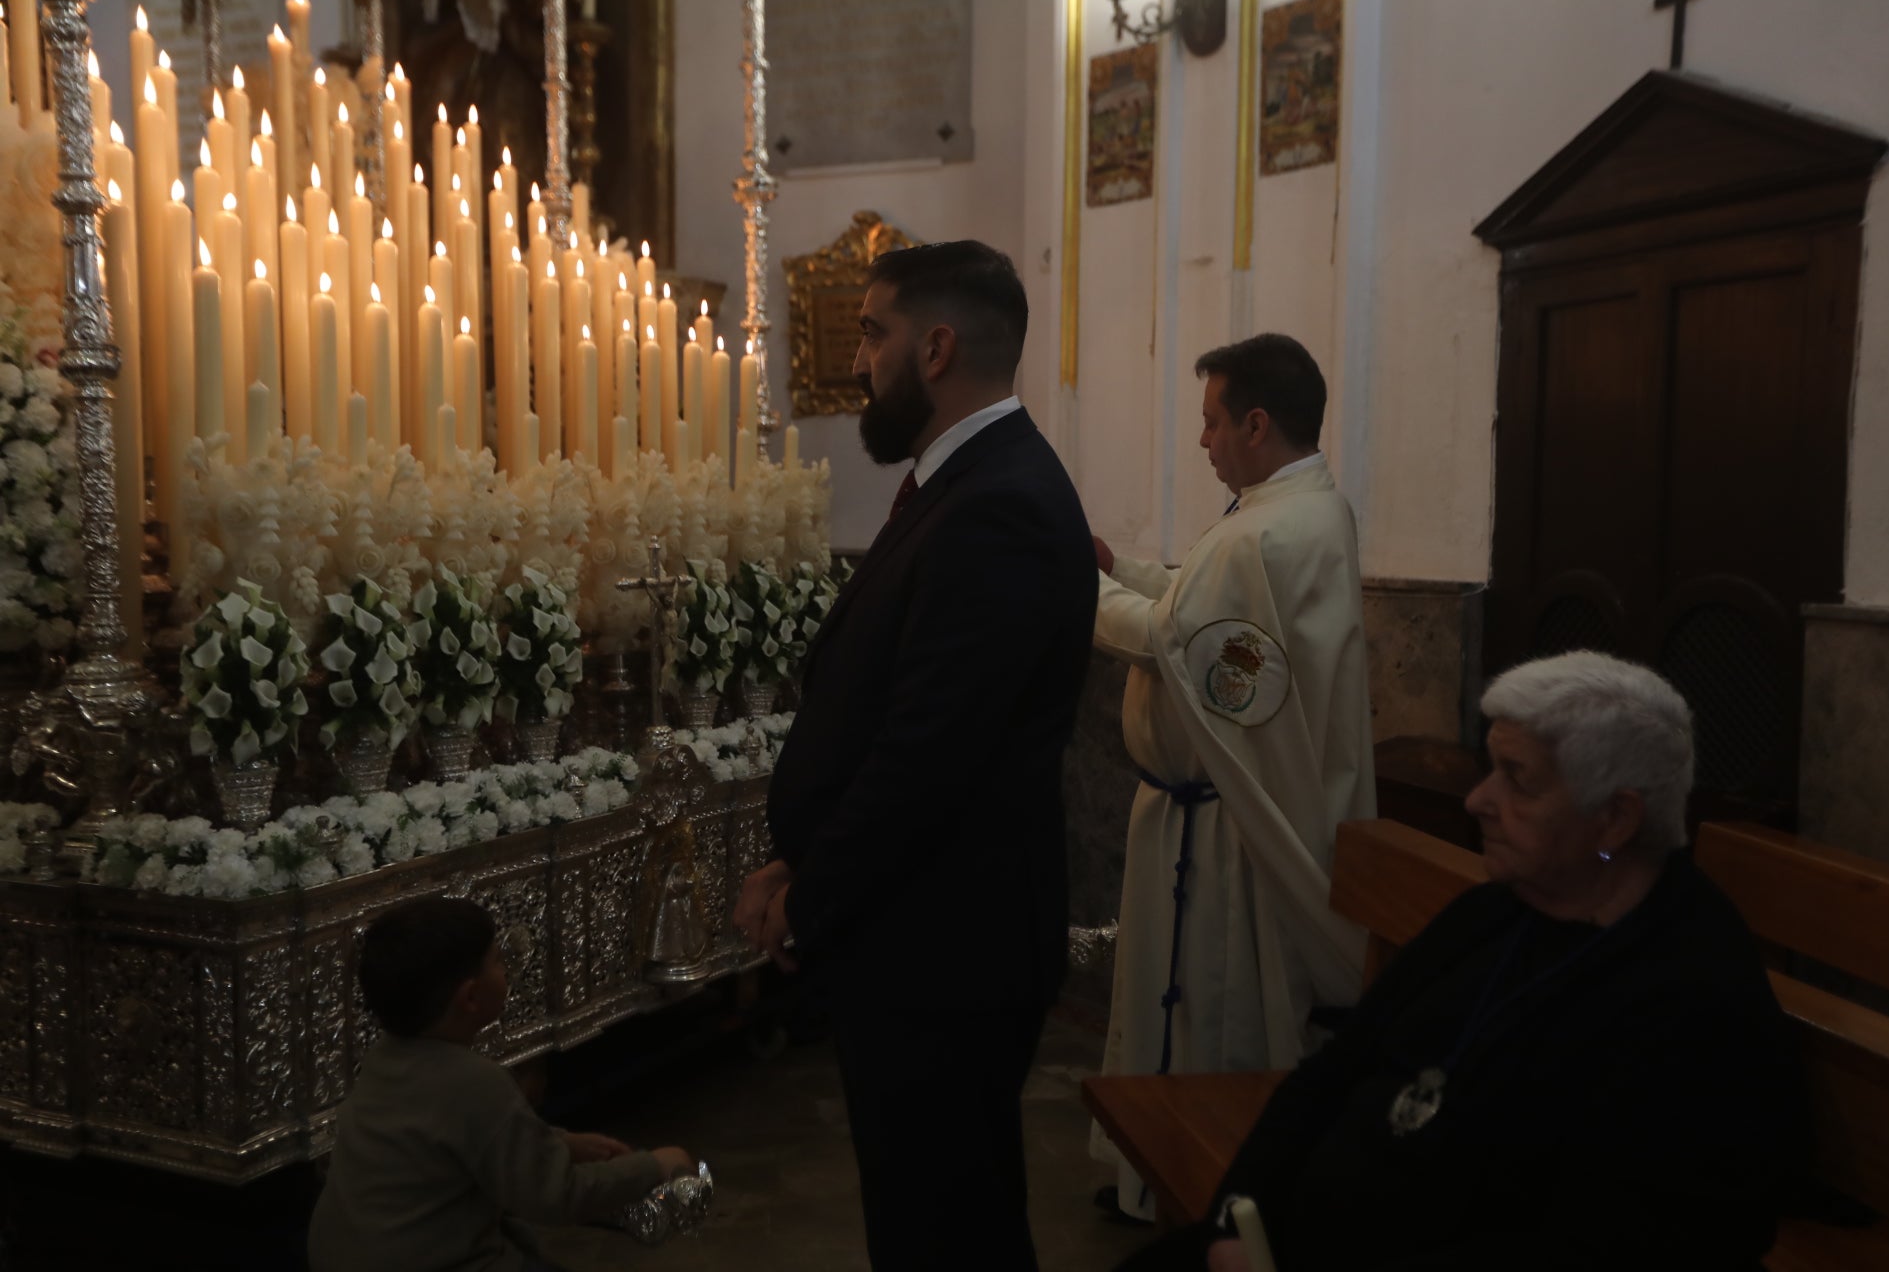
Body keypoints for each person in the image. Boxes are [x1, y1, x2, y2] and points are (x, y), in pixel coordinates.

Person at [1120, 652, 1810, 1271]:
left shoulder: (1694, 997)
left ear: (1615, 820)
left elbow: (1607, 1245)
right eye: (1490, 771)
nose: (1479, 801)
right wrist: (1235, 1219)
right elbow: (1332, 1072)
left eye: (1517, 781)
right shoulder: (1496, 913)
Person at [732, 240, 1097, 1271]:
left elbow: (929, 755)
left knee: (948, 1228)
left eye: (871, 332)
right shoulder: (964, 485)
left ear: (935, 347)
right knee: (933, 1211)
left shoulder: (1000, 506)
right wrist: (800, 857)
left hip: (947, 941)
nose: (855, 360)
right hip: (925, 926)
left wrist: (816, 892)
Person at [1088, 333, 1375, 1222]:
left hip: (1221, 827)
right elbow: (1198, 612)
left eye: (1213, 422)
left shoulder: (1261, 532)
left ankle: (1187, 1184)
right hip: (1222, 810)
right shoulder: (1302, 509)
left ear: (1256, 422)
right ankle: (1167, 1174)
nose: (1204, 441)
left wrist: (1071, 587)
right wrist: (1121, 572)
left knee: (1208, 1003)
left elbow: (1173, 643)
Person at [308, 897, 695, 1272]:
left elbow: (460, 1141)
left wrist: (558, 1143)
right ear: (471, 997)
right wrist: (654, 1165)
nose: (506, 969)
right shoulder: (474, 1081)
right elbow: (556, 1194)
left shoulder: (385, 1057)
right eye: (497, 960)